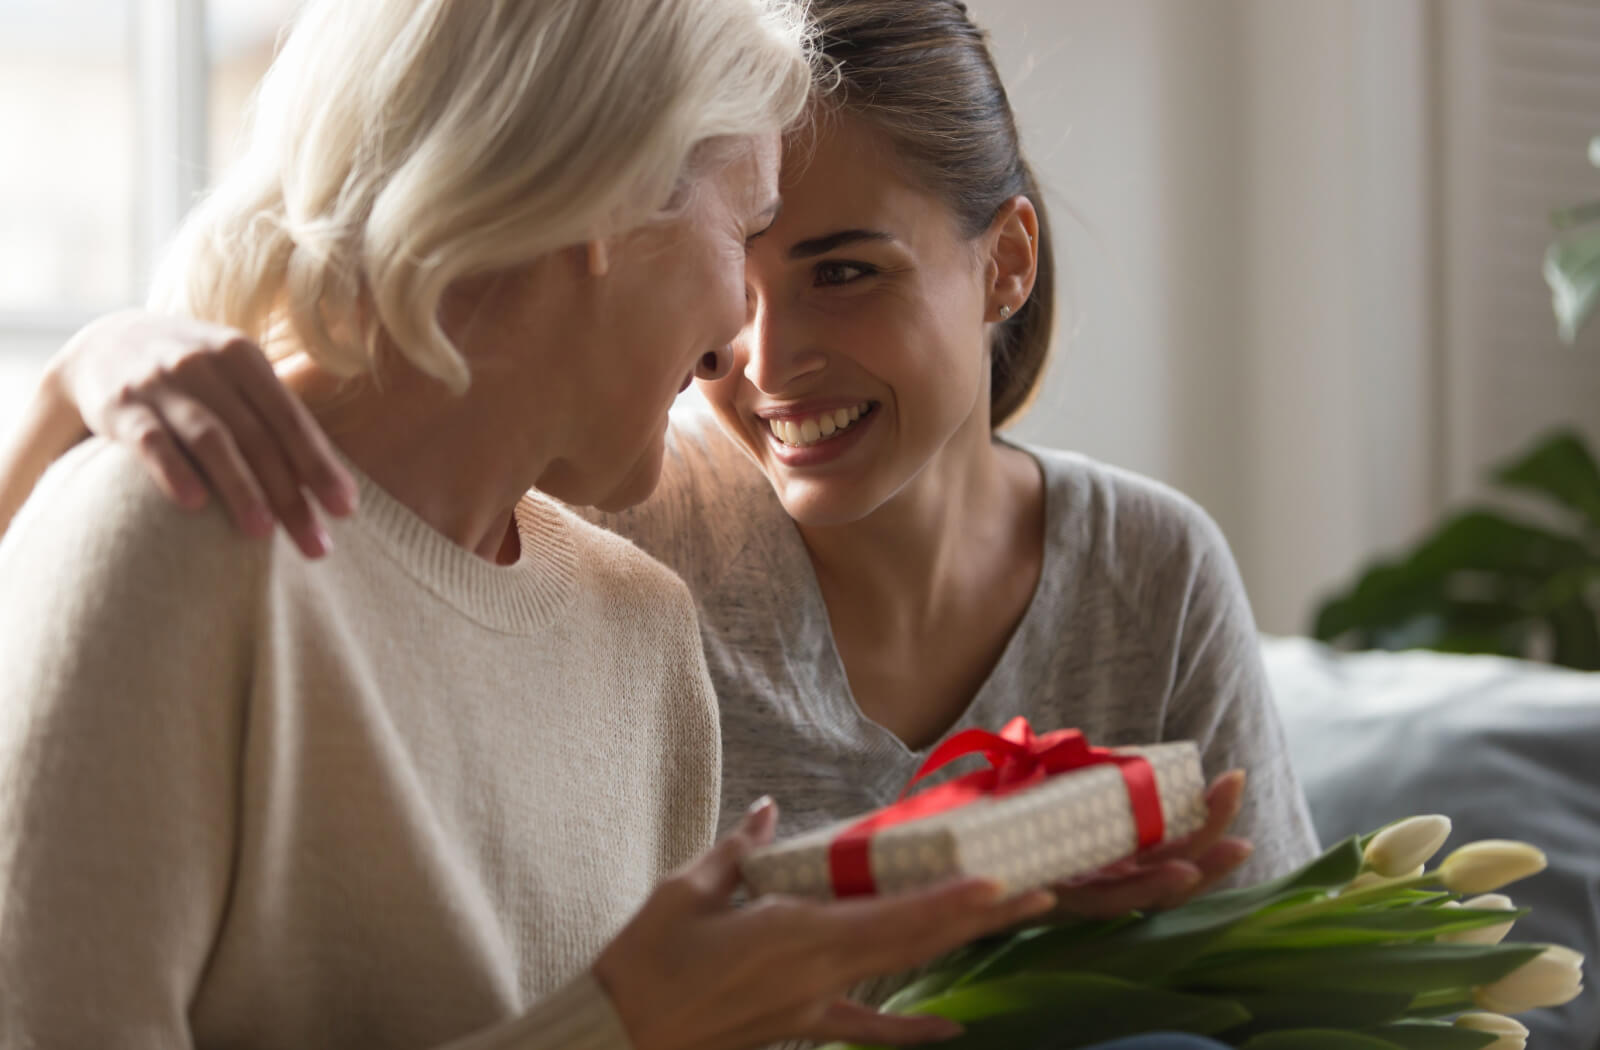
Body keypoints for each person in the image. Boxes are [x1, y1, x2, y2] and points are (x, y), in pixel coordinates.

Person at [0, 3, 1077, 1049]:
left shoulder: (641, 630)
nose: (734, 352)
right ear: (608, 205)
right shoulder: (171, 538)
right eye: (742, 232)